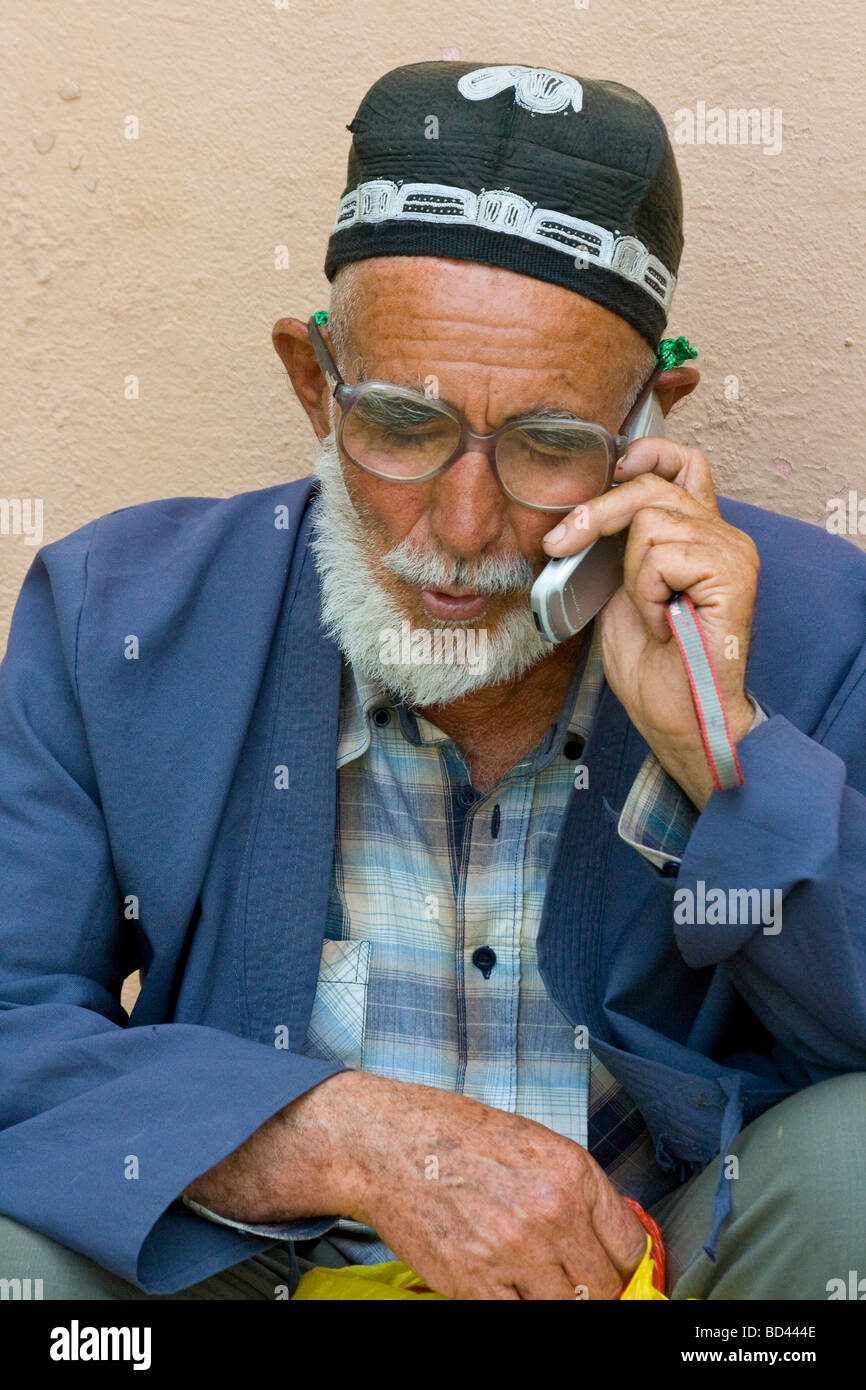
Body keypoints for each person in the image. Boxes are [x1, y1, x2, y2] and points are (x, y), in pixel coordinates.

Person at [1, 60, 865, 1302]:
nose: (460, 529)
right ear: (315, 382)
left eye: (550, 445)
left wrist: (720, 751)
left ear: (647, 422)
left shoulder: (806, 621)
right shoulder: (115, 613)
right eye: (401, 426)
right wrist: (350, 1137)